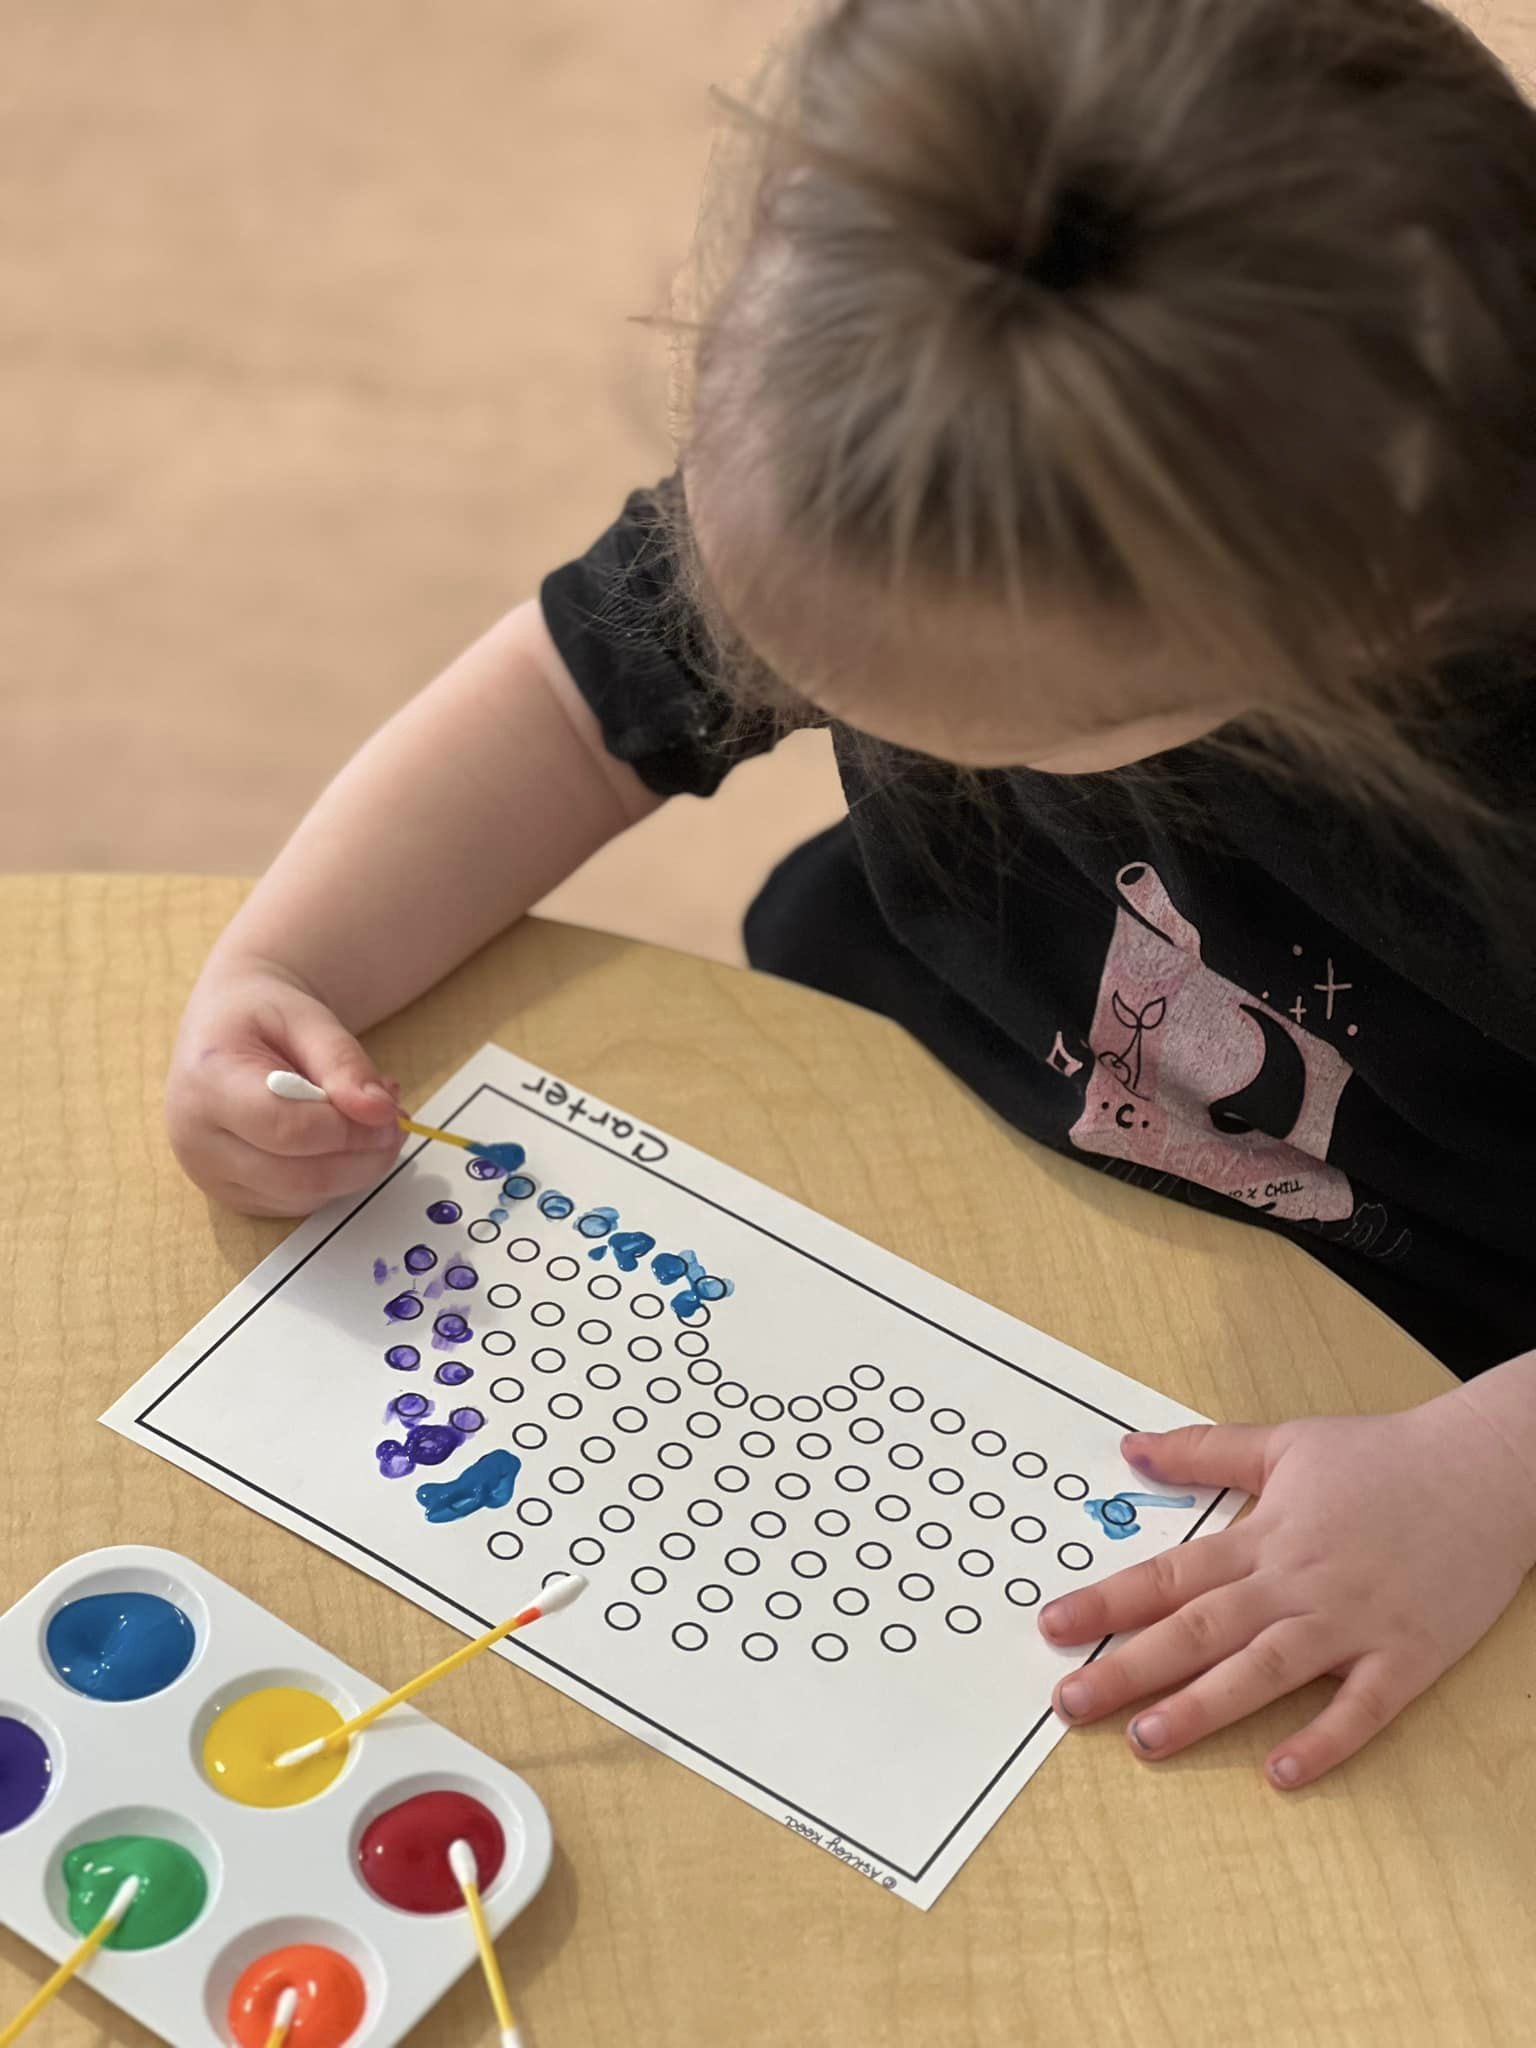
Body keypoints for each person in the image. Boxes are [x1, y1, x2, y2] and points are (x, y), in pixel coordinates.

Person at [166, 0, 1536, 1789]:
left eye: (1035, 734)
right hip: (903, 1112)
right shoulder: (898, 449)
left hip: (1417, 1358)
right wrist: (286, 959)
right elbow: (574, 708)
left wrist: (1485, 1475)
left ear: (1364, 627)